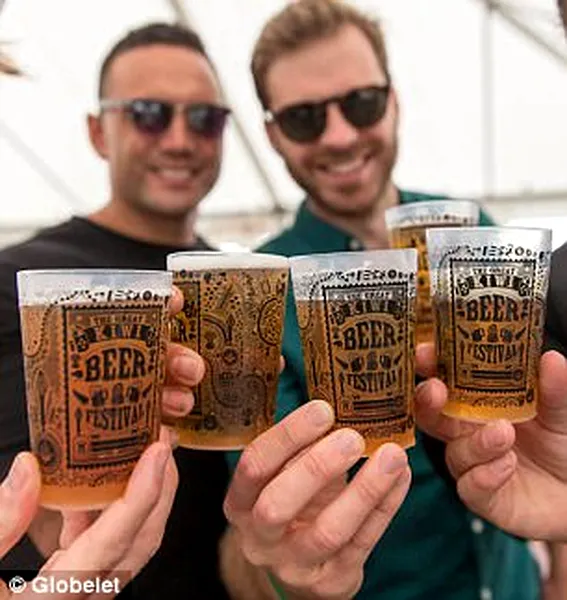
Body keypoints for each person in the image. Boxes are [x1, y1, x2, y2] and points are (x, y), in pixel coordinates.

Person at [220, 1, 552, 599]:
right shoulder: (258, 295)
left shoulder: (472, 230)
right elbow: (260, 537)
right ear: (272, 134)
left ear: (393, 100)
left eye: (361, 103)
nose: (340, 135)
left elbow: (554, 423)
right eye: (303, 119)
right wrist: (288, 573)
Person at [0, 23, 231, 599]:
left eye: (205, 119)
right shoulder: (23, 281)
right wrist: (68, 524)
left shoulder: (230, 285)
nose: (180, 139)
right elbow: (23, 519)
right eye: (149, 114)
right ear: (99, 132)